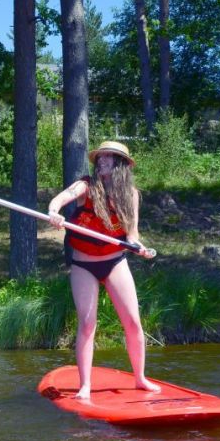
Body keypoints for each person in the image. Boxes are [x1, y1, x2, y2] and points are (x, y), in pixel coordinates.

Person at [46, 141, 159, 399]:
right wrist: (54, 212)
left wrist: (138, 247)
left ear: (120, 164)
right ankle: (85, 385)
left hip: (115, 261)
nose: (102, 160)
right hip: (84, 264)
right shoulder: (86, 185)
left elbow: (132, 234)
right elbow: (62, 198)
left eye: (109, 157)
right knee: (87, 324)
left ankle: (140, 378)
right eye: (100, 157)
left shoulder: (131, 194)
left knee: (132, 322)